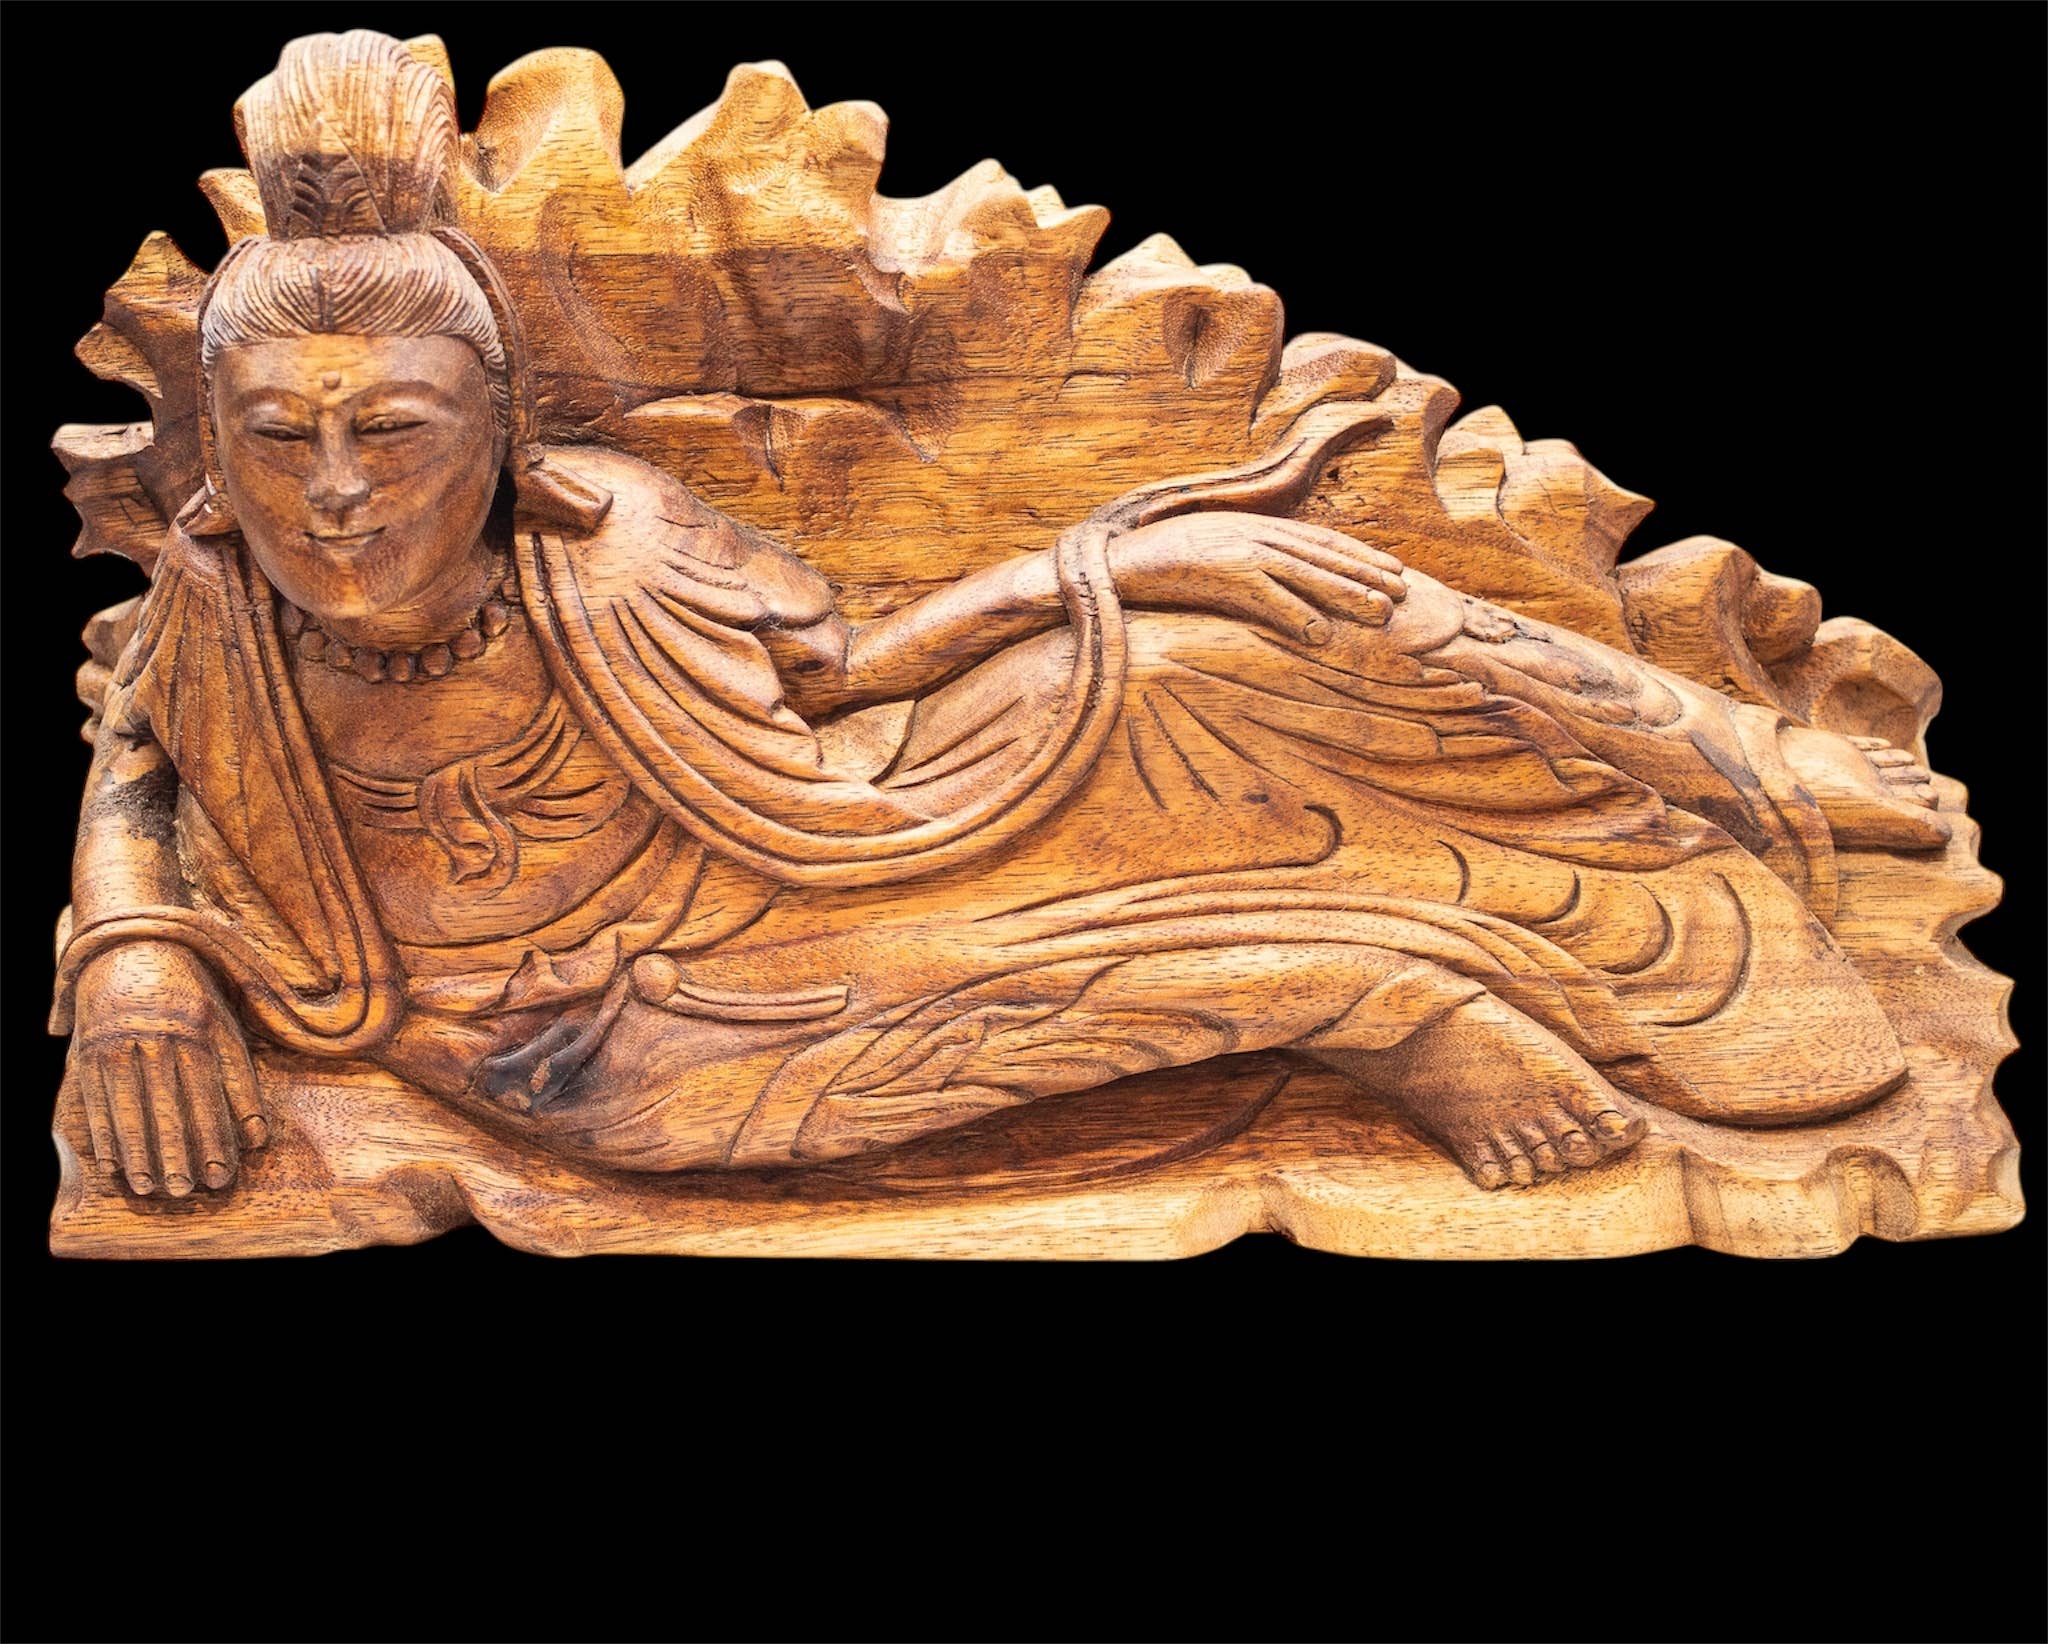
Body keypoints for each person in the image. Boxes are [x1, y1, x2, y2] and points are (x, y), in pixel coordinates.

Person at [55, 31, 1949, 1197]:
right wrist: (135, 960)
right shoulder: (220, 612)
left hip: (834, 824)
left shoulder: (607, 536)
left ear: (500, 441)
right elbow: (136, 760)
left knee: (1227, 631)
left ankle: (1746, 767)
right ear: (220, 455)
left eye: (394, 431)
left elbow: (845, 677)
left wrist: (1104, 566)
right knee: (770, 1081)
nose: (335, 492)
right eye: (279, 437)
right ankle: (1388, 1003)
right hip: (589, 1026)